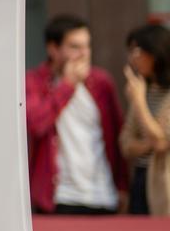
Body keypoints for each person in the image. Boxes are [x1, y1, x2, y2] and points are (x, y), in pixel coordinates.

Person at [25, 15, 127, 214]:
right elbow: (35, 124)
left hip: (104, 196)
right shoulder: (34, 81)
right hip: (60, 198)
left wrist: (122, 185)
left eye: (87, 46)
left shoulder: (101, 82)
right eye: (75, 47)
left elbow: (117, 136)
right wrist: (68, 85)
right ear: (52, 49)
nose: (84, 54)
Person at [120, 23, 170, 215]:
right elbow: (126, 143)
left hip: (164, 180)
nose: (133, 58)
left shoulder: (141, 94)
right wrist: (152, 142)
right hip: (141, 177)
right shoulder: (143, 89)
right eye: (131, 51)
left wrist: (140, 103)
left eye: (138, 51)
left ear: (157, 51)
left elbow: (160, 141)